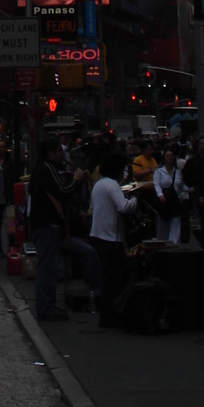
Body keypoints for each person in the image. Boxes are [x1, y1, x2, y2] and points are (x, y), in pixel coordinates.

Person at [29, 140, 101, 322]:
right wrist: (76, 181)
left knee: (51, 267)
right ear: (50, 154)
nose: (63, 154)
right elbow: (62, 192)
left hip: (48, 227)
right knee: (47, 267)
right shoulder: (47, 169)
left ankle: (49, 306)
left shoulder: (44, 169)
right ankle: (46, 308)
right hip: (47, 226)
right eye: (60, 150)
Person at [90, 151, 137, 326]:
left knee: (105, 278)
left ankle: (105, 312)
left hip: (97, 236)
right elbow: (123, 207)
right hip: (111, 238)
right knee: (114, 279)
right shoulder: (112, 185)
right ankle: (109, 314)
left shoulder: (99, 185)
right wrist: (134, 201)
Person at [153, 146, 188, 243]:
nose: (169, 157)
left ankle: (173, 244)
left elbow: (182, 186)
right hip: (164, 202)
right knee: (162, 226)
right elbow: (157, 184)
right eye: (167, 155)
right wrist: (160, 195)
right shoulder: (159, 171)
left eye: (171, 155)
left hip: (175, 202)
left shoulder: (178, 172)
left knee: (176, 224)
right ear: (164, 158)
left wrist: (193, 189)